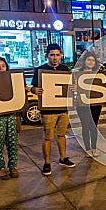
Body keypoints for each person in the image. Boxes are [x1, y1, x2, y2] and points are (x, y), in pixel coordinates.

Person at [31, 44, 76, 176]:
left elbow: (70, 87)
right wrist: (35, 90)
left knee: (62, 135)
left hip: (63, 109)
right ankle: (47, 163)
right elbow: (32, 87)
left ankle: (62, 158)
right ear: (47, 56)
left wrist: (73, 87)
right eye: (52, 55)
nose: (55, 58)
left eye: (57, 55)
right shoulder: (40, 70)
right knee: (48, 137)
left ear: (61, 55)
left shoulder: (65, 69)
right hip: (48, 110)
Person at [76, 52, 103, 157]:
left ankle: (94, 148)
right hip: (82, 104)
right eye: (88, 60)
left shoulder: (99, 74)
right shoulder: (77, 73)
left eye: (93, 60)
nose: (90, 62)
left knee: (94, 126)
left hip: (96, 104)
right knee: (85, 126)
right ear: (84, 61)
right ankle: (87, 148)